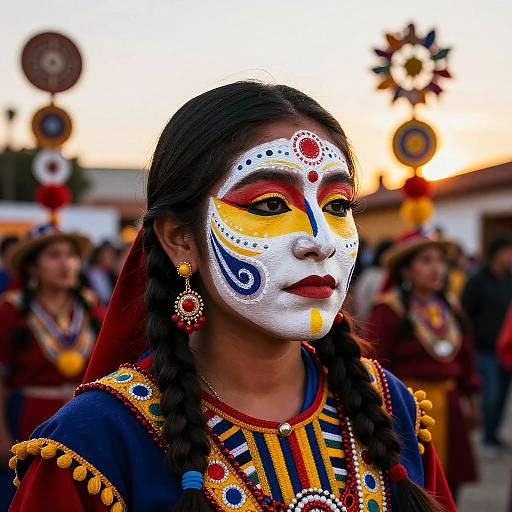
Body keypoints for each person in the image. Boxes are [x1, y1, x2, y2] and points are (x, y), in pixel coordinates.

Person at [9, 82, 454, 512]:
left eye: (337, 206)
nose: (320, 241)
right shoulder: (97, 444)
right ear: (180, 239)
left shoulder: (392, 409)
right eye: (269, 206)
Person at [365, 229, 480, 498]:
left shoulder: (451, 307)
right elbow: (375, 362)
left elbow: (466, 358)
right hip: (407, 408)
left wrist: (471, 401)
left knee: (451, 486)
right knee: (414, 486)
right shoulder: (389, 310)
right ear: (405, 270)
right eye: (426, 261)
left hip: (450, 406)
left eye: (440, 261)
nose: (437, 269)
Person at [0, 224, 104, 510]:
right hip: (28, 418)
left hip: (81, 420)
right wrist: (2, 435)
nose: (66, 263)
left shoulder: (92, 309)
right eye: (54, 255)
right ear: (33, 268)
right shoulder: (11, 312)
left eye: (71, 255)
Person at [461, 235, 512, 452]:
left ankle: (494, 435)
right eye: (508, 251)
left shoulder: (509, 279)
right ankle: (486, 438)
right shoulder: (477, 280)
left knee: (502, 396)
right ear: (496, 254)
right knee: (490, 395)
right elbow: (464, 313)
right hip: (483, 349)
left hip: (505, 349)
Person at [353, 239, 392, 321]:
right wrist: (365, 317)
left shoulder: (393, 274)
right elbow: (360, 297)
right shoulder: (370, 274)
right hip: (370, 319)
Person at [86, 241, 119, 305]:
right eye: (109, 254)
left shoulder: (109, 275)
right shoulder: (92, 274)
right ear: (99, 256)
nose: (113, 258)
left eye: (113, 254)